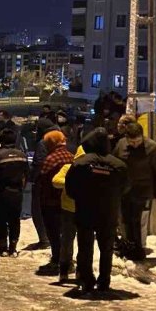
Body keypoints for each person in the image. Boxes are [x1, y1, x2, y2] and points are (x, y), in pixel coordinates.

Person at [65, 129, 128, 294]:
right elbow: (126, 187)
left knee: (85, 247)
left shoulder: (80, 163)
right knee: (106, 248)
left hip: (85, 211)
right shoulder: (119, 165)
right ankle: (104, 281)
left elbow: (70, 188)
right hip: (108, 212)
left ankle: (87, 280)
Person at [113, 122, 156, 262]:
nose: (135, 144)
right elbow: (114, 163)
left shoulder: (152, 148)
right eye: (132, 142)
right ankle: (127, 247)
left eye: (137, 141)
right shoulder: (121, 144)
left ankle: (138, 249)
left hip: (142, 189)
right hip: (124, 190)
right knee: (124, 220)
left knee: (136, 221)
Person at [36, 130, 75, 269]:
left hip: (51, 202)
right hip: (67, 201)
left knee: (53, 232)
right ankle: (67, 259)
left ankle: (57, 258)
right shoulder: (72, 157)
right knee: (67, 233)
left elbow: (44, 181)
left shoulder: (50, 159)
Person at [0, 129, 29, 257]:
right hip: (17, 192)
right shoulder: (22, 155)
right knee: (14, 220)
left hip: (1, 192)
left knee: (0, 219)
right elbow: (26, 175)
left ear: (1, 140)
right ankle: (13, 247)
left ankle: (2, 246)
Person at [28, 116, 56, 250]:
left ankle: (44, 239)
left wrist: (33, 178)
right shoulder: (62, 137)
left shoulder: (43, 142)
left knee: (38, 210)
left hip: (43, 182)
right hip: (58, 182)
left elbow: (39, 164)